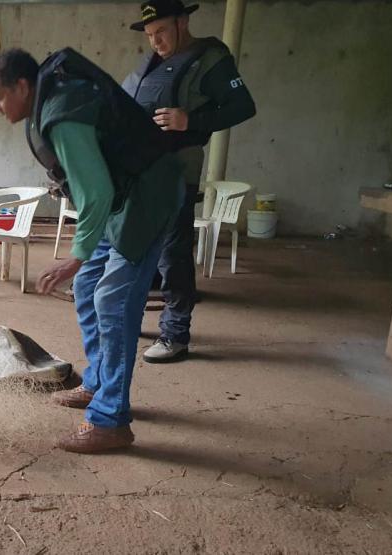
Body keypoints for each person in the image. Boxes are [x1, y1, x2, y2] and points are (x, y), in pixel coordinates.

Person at [0, 48, 184, 453]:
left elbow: (96, 192)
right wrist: (83, 259)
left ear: (23, 86)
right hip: (123, 197)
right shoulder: (51, 99)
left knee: (113, 299)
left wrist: (74, 257)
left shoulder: (62, 114)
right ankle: (98, 383)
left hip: (147, 197)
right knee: (91, 282)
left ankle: (111, 421)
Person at [122, 0, 256, 363]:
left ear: (182, 22)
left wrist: (191, 120)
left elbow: (243, 106)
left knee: (173, 251)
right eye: (149, 35)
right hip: (142, 172)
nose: (155, 41)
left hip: (178, 169)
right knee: (135, 248)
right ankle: (133, 320)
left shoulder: (210, 58)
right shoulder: (151, 64)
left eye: (161, 31)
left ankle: (175, 334)